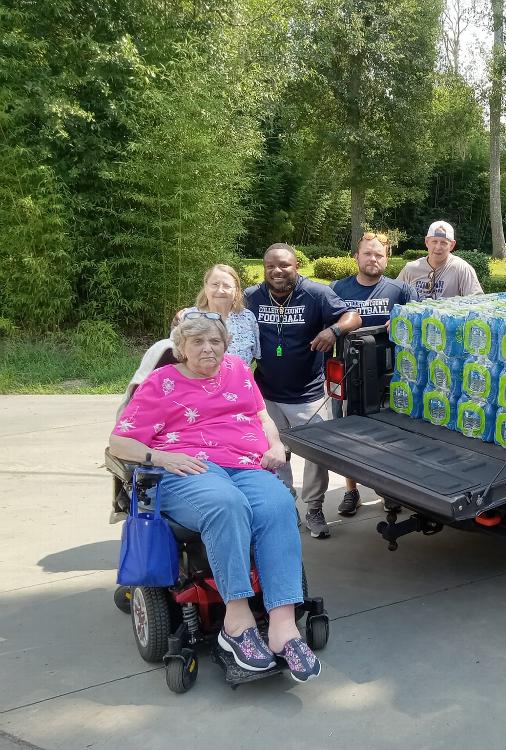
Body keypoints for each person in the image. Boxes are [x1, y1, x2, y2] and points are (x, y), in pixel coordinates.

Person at [109, 313, 321, 683]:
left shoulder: (238, 369)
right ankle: (236, 624)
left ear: (226, 345)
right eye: (198, 342)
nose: (208, 349)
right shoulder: (162, 383)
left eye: (215, 342)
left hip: (245, 463)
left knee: (278, 504)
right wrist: (161, 457)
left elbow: (262, 416)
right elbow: (120, 441)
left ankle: (283, 627)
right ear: (182, 349)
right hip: (188, 469)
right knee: (226, 504)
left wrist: (274, 444)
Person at [244, 243, 361, 539]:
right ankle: (285, 505)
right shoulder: (252, 297)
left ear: (296, 266)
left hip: (308, 394)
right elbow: (218, 308)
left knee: (315, 457)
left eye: (284, 265)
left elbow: (353, 317)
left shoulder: (316, 294)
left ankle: (314, 507)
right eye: (270, 266)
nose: (277, 271)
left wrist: (332, 330)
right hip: (266, 394)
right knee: (273, 453)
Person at [331, 232, 415, 516]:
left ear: (386, 259)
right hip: (349, 373)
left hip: (389, 375)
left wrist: (404, 318)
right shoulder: (337, 289)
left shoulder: (399, 291)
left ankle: (388, 492)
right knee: (348, 435)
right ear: (356, 256)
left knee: (390, 436)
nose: (373, 259)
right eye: (368, 253)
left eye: (379, 254)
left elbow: (422, 318)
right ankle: (351, 491)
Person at [179, 264, 260, 366]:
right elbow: (178, 357)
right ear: (206, 286)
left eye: (227, 286)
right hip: (197, 381)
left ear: (236, 290)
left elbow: (253, 356)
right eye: (215, 284)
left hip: (237, 381)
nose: (220, 290)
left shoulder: (248, 318)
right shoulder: (189, 317)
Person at [396, 220, 483, 299]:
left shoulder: (462, 269)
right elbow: (394, 294)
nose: (438, 247)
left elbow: (476, 300)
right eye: (434, 242)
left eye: (444, 243)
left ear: (452, 245)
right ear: (426, 242)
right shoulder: (411, 269)